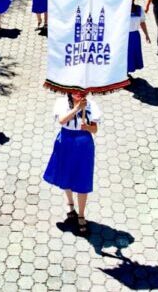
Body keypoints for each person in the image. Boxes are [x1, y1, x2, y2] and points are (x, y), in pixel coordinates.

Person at [43, 92, 101, 234]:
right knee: (66, 174)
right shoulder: (61, 102)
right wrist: (76, 108)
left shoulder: (92, 105)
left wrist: (87, 127)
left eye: (82, 90)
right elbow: (62, 121)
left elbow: (95, 129)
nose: (79, 93)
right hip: (66, 141)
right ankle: (70, 204)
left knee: (83, 178)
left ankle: (81, 214)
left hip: (84, 144)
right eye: (74, 90)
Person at [127, 0, 151, 75]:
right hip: (123, 36)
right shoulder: (121, 8)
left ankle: (127, 73)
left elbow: (142, 22)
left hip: (134, 36)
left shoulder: (139, 9)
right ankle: (123, 73)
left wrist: (146, 35)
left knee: (132, 55)